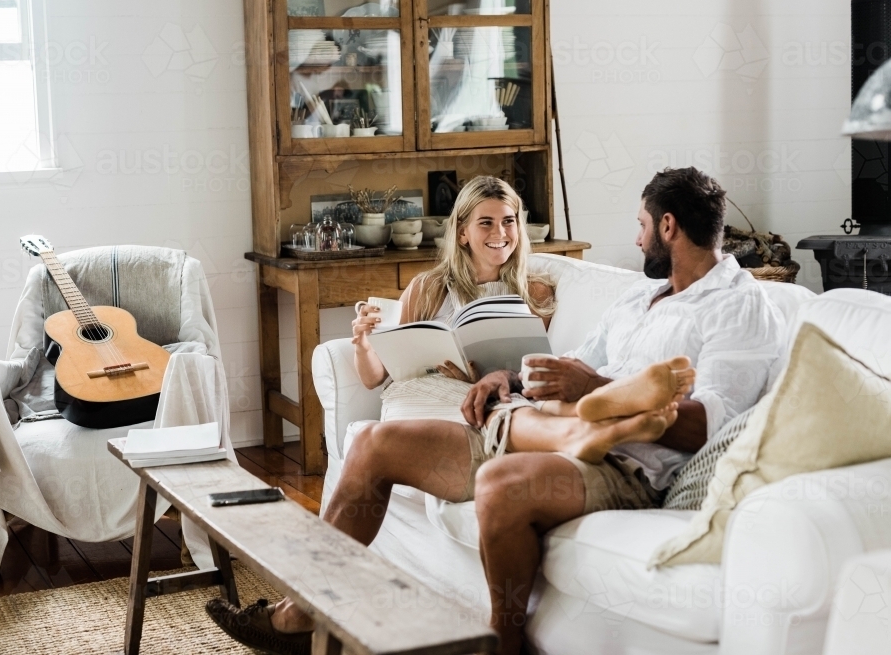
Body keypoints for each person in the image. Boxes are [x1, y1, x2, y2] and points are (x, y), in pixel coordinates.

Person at [206, 167, 785, 655]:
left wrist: (593, 387)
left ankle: (500, 643)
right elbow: (574, 364)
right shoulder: (642, 294)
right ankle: (296, 618)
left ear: (667, 226)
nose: (636, 241)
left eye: (640, 227)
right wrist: (507, 378)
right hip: (545, 424)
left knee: (504, 482)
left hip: (624, 466)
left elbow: (706, 425)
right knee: (370, 446)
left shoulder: (739, 307)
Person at [351, 174, 556, 389]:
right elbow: (373, 379)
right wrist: (363, 345)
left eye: (508, 221)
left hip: (490, 401)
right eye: (486, 222)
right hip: (422, 396)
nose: (500, 232)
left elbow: (538, 376)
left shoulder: (535, 293)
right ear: (462, 233)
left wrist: (481, 381)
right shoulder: (428, 288)